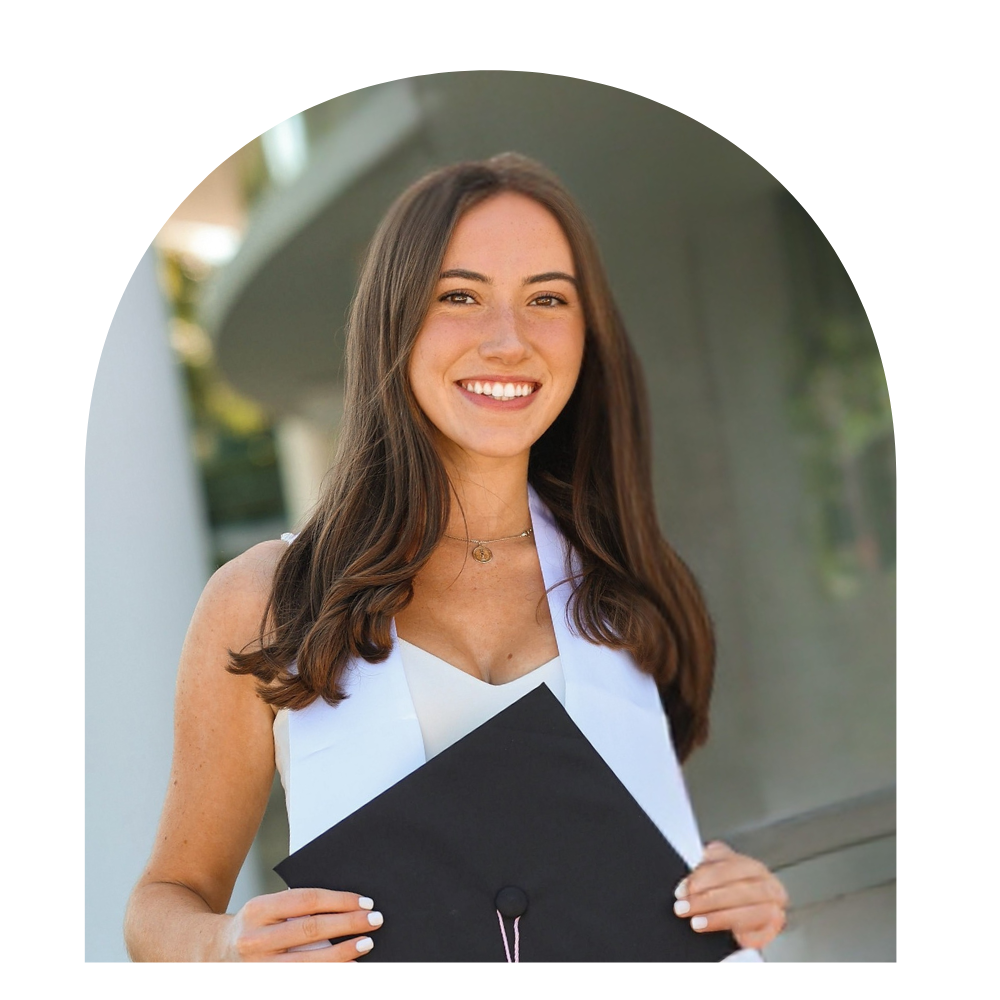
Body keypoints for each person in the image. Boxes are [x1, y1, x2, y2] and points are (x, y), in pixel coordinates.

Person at [124, 153, 788, 962]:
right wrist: (225, 943)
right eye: (460, 296)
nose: (507, 340)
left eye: (547, 299)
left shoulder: (626, 583)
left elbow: (620, 874)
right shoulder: (273, 599)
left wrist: (740, 896)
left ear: (587, 333)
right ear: (393, 323)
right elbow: (162, 905)